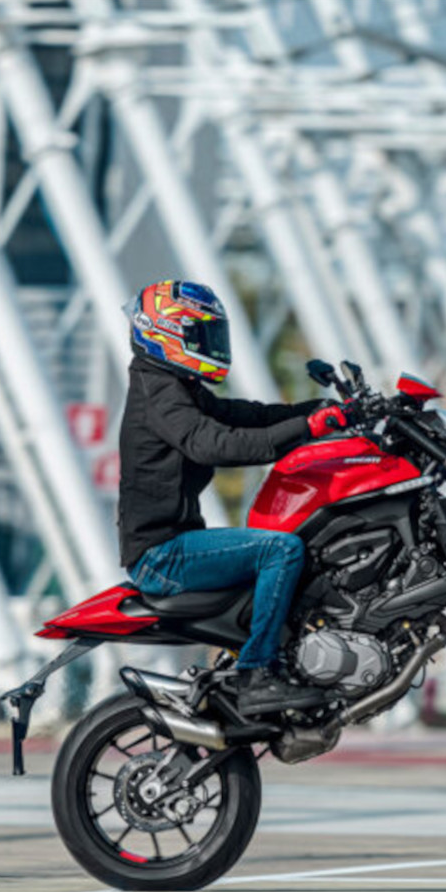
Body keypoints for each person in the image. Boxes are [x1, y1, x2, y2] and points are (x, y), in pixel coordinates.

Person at [118, 280, 353, 715]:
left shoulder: (174, 386)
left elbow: (250, 416)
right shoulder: (160, 395)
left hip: (175, 545)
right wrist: (309, 429)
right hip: (162, 556)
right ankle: (256, 675)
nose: (212, 344)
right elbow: (216, 444)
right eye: (201, 335)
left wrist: (317, 411)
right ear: (167, 333)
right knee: (280, 551)